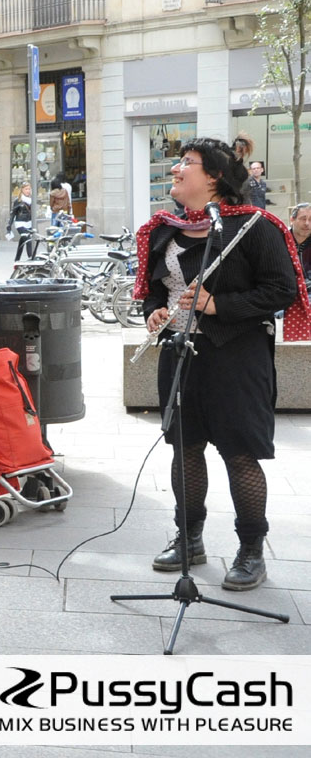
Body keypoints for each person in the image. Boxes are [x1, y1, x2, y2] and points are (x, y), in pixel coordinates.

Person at [134, 134, 309, 590]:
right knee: (184, 447)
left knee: (239, 452)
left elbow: (281, 289)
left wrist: (217, 306)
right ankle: (189, 538)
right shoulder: (165, 226)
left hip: (237, 355)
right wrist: (153, 308)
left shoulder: (257, 226)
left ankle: (251, 549)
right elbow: (156, 285)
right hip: (179, 351)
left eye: (186, 162)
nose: (175, 169)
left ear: (213, 177)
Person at [7, 182, 34, 260]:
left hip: (29, 223)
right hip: (20, 223)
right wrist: (9, 225)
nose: (28, 191)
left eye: (29, 189)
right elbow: (13, 213)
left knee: (22, 241)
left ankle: (17, 259)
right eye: (26, 189)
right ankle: (31, 259)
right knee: (28, 240)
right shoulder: (18, 200)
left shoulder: (32, 200)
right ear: (22, 190)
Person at [291, 202, 311, 281]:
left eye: (310, 219)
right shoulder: (280, 240)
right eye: (303, 219)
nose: (307, 223)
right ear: (292, 220)